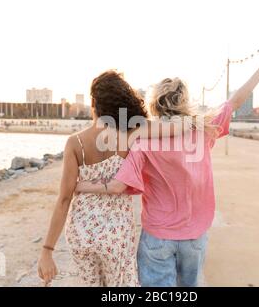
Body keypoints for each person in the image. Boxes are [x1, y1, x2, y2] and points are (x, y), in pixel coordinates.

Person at [76, 51, 259, 286]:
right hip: (194, 236)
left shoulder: (144, 141)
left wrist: (80, 185)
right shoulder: (202, 129)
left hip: (158, 236)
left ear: (155, 103)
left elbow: (119, 185)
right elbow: (234, 102)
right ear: (183, 100)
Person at [37, 70, 188, 286]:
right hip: (116, 234)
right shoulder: (130, 133)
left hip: (81, 232)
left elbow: (64, 199)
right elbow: (175, 128)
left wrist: (47, 250)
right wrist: (197, 123)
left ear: (94, 104)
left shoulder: (75, 143)